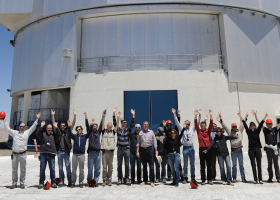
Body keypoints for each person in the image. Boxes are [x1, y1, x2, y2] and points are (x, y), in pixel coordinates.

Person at [2, 112, 41, 189]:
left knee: (23, 169)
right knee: (14, 170)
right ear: (19, 127)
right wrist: (4, 120)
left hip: (23, 154)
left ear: (25, 127)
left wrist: (37, 119)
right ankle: (14, 183)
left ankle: (22, 183)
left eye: (23, 126)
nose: (22, 127)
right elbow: (8, 129)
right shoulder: (14, 133)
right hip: (15, 154)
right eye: (21, 126)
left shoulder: (27, 133)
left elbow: (33, 127)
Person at [172, 108, 201, 184]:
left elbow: (197, 123)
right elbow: (177, 123)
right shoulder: (182, 129)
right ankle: (185, 177)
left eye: (188, 124)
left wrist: (198, 115)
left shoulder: (192, 129)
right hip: (185, 148)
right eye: (185, 124)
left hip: (191, 148)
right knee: (185, 164)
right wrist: (175, 114)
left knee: (192, 164)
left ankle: (193, 178)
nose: (187, 125)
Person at [218, 112, 247, 183]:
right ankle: (234, 177)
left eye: (235, 126)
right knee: (234, 165)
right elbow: (224, 126)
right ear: (231, 127)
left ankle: (243, 178)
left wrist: (245, 117)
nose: (234, 128)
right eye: (233, 127)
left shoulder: (239, 130)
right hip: (233, 151)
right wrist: (221, 119)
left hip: (240, 150)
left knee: (241, 165)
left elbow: (243, 124)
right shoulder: (229, 132)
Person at [238, 111, 267, 184]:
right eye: (251, 125)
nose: (252, 126)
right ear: (250, 127)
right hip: (251, 150)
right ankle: (255, 179)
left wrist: (263, 117)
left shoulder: (257, 131)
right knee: (253, 165)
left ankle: (260, 179)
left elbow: (261, 124)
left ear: (254, 126)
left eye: (253, 125)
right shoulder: (248, 132)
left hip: (257, 150)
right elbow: (244, 124)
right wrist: (241, 116)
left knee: (259, 165)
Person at [251, 110, 280, 183]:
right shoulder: (265, 130)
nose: (269, 125)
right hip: (269, 151)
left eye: (270, 123)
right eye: (268, 124)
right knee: (269, 165)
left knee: (276, 164)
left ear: (272, 124)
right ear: (266, 125)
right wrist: (255, 116)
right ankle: (270, 177)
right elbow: (259, 123)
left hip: (275, 150)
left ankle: (278, 178)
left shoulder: (275, 129)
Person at [52, 109, 76, 187]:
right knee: (60, 167)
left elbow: (73, 125)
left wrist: (74, 116)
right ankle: (62, 180)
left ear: (65, 127)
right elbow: (53, 124)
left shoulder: (68, 132)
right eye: (61, 126)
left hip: (66, 152)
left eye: (63, 126)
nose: (62, 127)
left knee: (68, 167)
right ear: (60, 126)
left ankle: (69, 180)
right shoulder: (57, 132)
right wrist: (53, 116)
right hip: (59, 151)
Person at [67, 117, 93, 188]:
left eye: (79, 129)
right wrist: (69, 126)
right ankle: (73, 182)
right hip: (75, 155)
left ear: (81, 130)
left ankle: (81, 182)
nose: (78, 130)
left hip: (82, 155)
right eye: (77, 129)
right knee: (74, 170)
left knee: (81, 170)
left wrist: (91, 125)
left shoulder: (85, 136)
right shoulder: (74, 136)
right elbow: (69, 133)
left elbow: (90, 132)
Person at [36, 121, 61, 189]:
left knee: (52, 169)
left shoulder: (54, 135)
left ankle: (53, 183)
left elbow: (59, 134)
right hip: (43, 153)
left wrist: (56, 127)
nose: (49, 129)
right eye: (48, 128)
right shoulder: (43, 134)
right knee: (42, 169)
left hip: (51, 154)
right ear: (46, 128)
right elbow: (37, 133)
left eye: (50, 128)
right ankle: (41, 183)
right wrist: (41, 126)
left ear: (52, 129)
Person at [100, 108, 120, 186]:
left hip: (111, 152)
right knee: (104, 167)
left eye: (110, 127)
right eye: (108, 126)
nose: (109, 128)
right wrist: (103, 116)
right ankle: (104, 180)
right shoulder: (103, 131)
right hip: (104, 152)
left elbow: (117, 126)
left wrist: (118, 118)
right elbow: (102, 124)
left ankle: (110, 180)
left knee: (110, 167)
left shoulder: (113, 132)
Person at [116, 109, 135, 185]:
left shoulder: (128, 130)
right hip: (119, 150)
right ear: (121, 123)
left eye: (126, 123)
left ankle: (127, 179)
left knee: (127, 165)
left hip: (127, 150)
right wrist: (117, 117)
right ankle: (119, 179)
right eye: (124, 122)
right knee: (119, 165)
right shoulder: (118, 130)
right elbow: (116, 124)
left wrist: (133, 115)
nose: (125, 124)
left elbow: (132, 124)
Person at [137, 121, 158, 187]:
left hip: (149, 150)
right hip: (142, 150)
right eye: (145, 125)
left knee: (151, 166)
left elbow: (154, 141)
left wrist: (156, 150)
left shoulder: (151, 132)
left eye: (147, 125)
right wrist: (137, 151)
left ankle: (152, 181)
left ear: (148, 125)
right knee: (144, 166)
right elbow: (138, 143)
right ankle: (145, 180)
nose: (146, 126)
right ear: (143, 125)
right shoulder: (141, 133)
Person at [195, 109, 213, 185]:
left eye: (204, 126)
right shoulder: (199, 131)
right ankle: (203, 179)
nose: (203, 127)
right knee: (202, 166)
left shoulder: (208, 131)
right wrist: (196, 115)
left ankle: (210, 179)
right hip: (201, 150)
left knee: (209, 165)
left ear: (205, 126)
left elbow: (211, 124)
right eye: (201, 126)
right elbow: (195, 124)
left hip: (208, 149)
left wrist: (211, 116)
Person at [85, 110, 103, 187]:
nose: (95, 127)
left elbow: (101, 124)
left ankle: (95, 181)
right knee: (90, 168)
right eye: (93, 126)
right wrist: (86, 117)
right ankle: (89, 181)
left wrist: (103, 115)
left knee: (97, 169)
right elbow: (87, 126)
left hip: (98, 153)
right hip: (91, 153)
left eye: (96, 126)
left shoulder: (98, 132)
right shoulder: (90, 132)